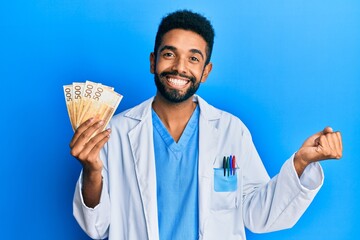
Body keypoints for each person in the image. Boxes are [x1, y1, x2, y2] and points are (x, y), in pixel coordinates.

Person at [70, 10, 343, 240]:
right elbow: (97, 226)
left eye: (193, 58)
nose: (180, 67)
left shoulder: (230, 131)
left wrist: (300, 164)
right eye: (169, 54)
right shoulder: (114, 132)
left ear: (206, 71)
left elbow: (258, 217)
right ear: (153, 62)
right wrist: (92, 171)